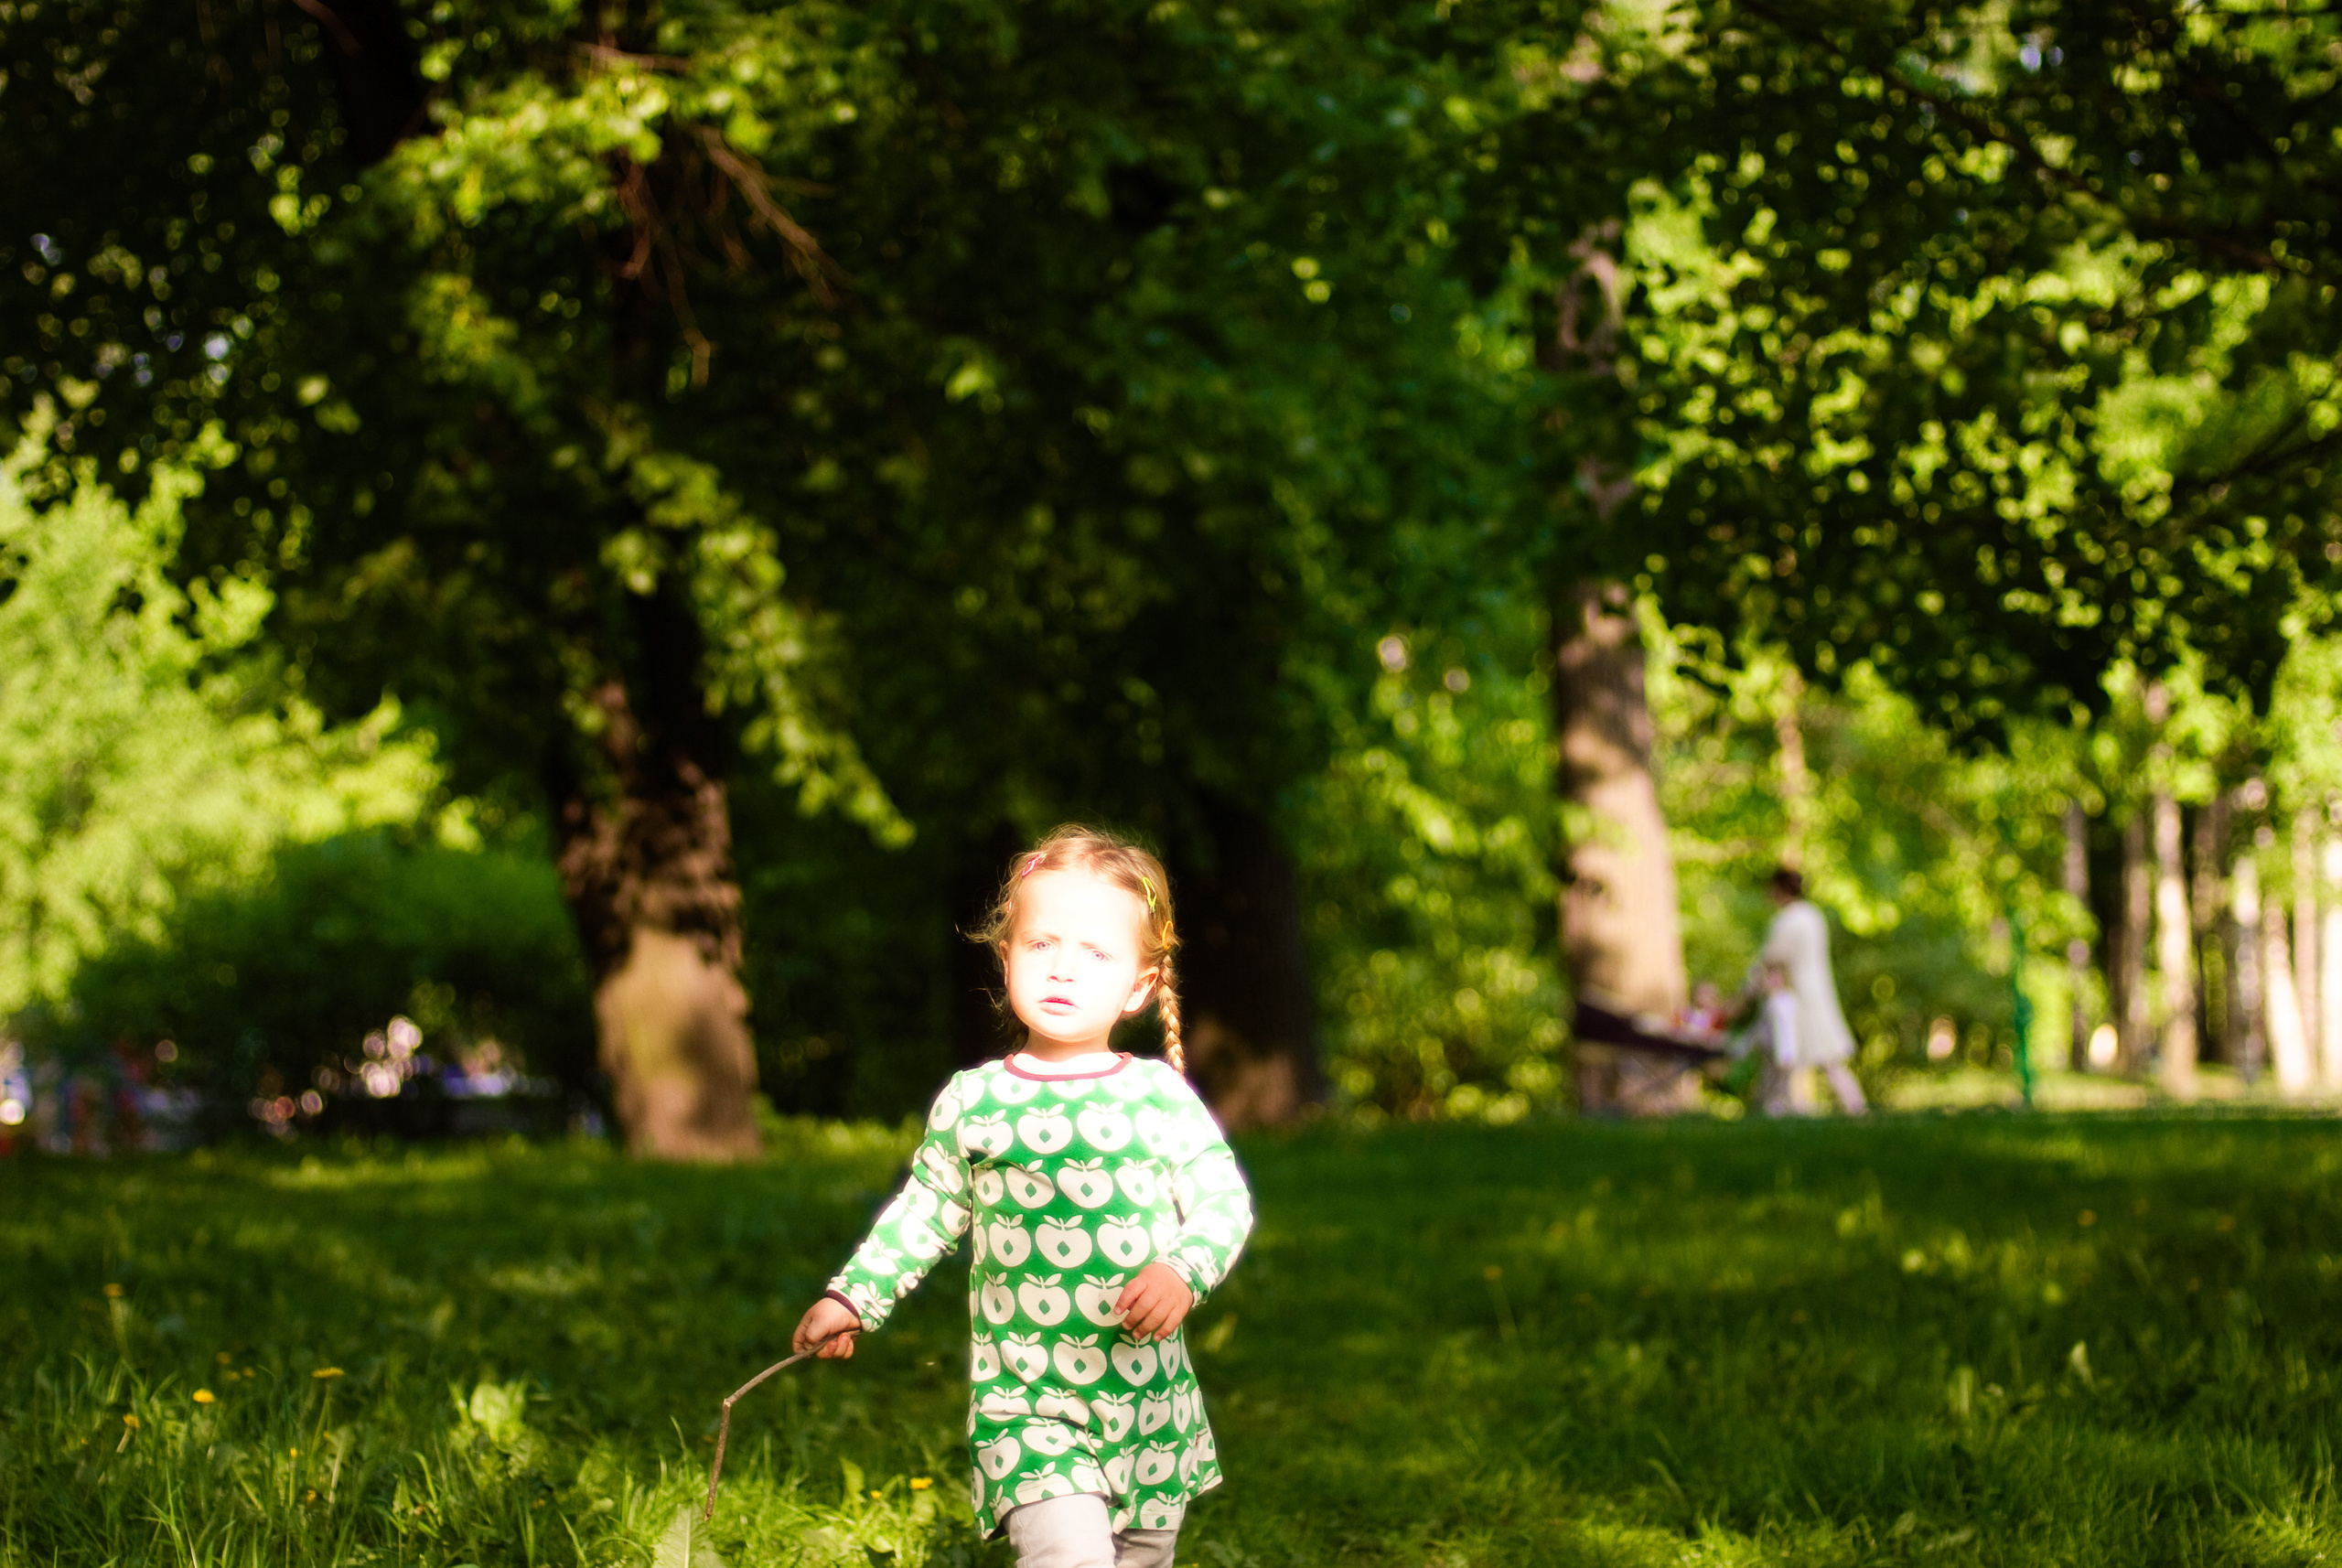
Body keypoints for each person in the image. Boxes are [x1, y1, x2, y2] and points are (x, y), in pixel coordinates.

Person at [794, 826, 1255, 1568]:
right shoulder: (977, 1102)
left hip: (1146, 1404)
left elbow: (1222, 1203)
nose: (1064, 970)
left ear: (1139, 984)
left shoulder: (1156, 1098)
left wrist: (1182, 1271)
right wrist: (856, 1297)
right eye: (1042, 945)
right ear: (1006, 956)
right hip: (1027, 1407)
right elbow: (926, 1210)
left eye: (1095, 953)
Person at [1753, 866, 1867, 1116]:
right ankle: (1854, 1108)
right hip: (1819, 994)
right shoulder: (1813, 915)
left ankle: (1783, 1109)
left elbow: (1774, 960)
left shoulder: (1788, 919)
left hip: (1797, 998)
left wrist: (1752, 990)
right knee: (1826, 1059)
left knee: (1787, 1056)